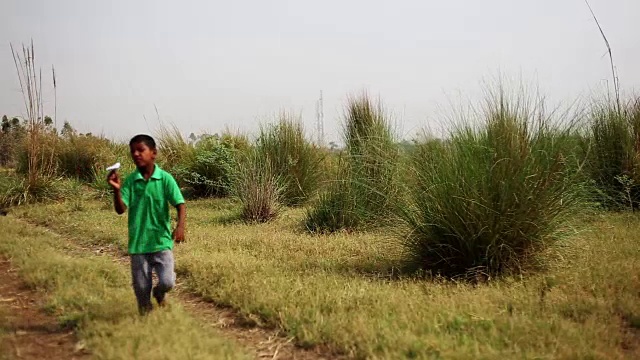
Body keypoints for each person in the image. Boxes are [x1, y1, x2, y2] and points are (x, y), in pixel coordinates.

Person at [107, 134, 186, 315]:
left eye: (140, 150)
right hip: (139, 243)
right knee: (141, 288)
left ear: (153, 153)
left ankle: (159, 293)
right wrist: (116, 190)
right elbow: (121, 209)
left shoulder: (165, 178)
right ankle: (146, 317)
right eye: (133, 151)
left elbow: (180, 204)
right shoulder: (131, 181)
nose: (136, 154)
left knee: (168, 282)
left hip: (161, 240)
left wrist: (180, 226)